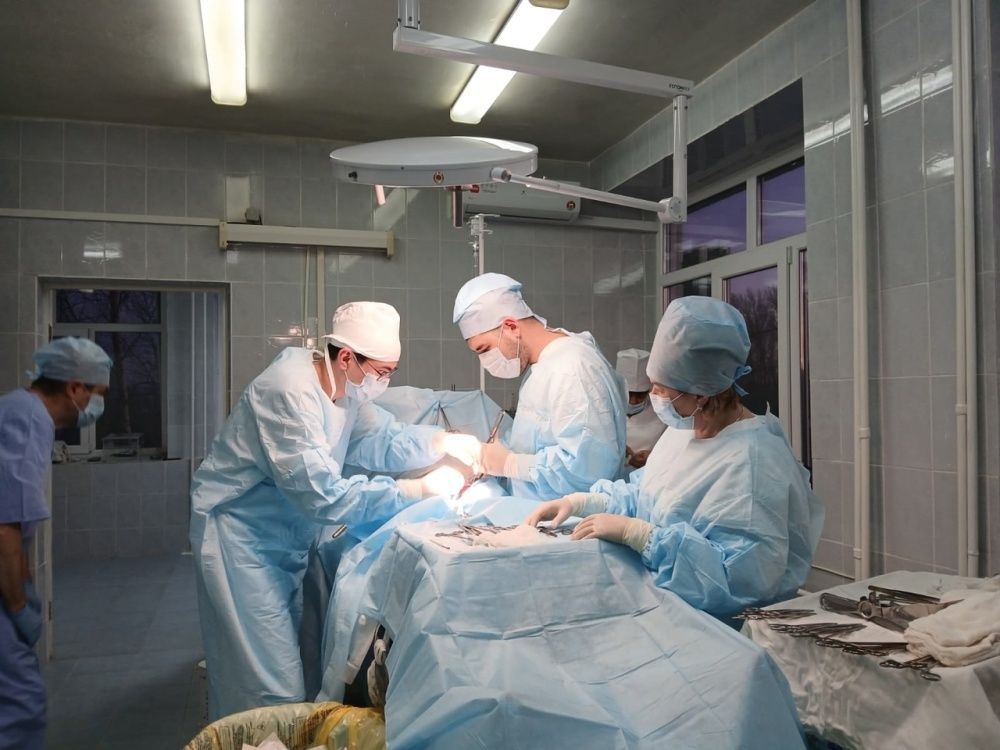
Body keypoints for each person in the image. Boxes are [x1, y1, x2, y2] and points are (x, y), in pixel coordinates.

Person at [190, 301, 475, 720]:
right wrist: (417, 489)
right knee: (270, 685)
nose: (384, 382)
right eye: (381, 372)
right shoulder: (288, 391)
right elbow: (323, 496)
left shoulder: (346, 392)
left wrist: (441, 442)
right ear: (346, 357)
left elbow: (381, 440)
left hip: (288, 536)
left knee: (302, 665)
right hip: (242, 540)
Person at [527, 297, 823, 620]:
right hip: (666, 604)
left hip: (719, 628)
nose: (654, 397)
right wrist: (583, 502)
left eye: (661, 388)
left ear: (701, 393)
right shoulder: (684, 430)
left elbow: (735, 581)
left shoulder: (753, 463)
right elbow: (646, 493)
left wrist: (642, 536)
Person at [1, 338, 112, 750]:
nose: (98, 406)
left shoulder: (17, 409)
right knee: (19, 709)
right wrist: (18, 606)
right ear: (75, 387)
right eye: (98, 394)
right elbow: (5, 528)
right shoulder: (29, 418)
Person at [444, 273, 627, 499]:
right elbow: (534, 442)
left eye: (484, 349)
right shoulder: (544, 365)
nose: (485, 361)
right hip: (537, 514)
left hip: (572, 518)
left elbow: (588, 469)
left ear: (511, 327)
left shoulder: (571, 368)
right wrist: (492, 457)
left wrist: (509, 464)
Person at [615, 348, 665, 470]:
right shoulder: (604, 410)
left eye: (640, 395)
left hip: (649, 474)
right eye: (629, 393)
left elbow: (675, 449)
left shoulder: (663, 413)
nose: (634, 401)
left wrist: (654, 457)